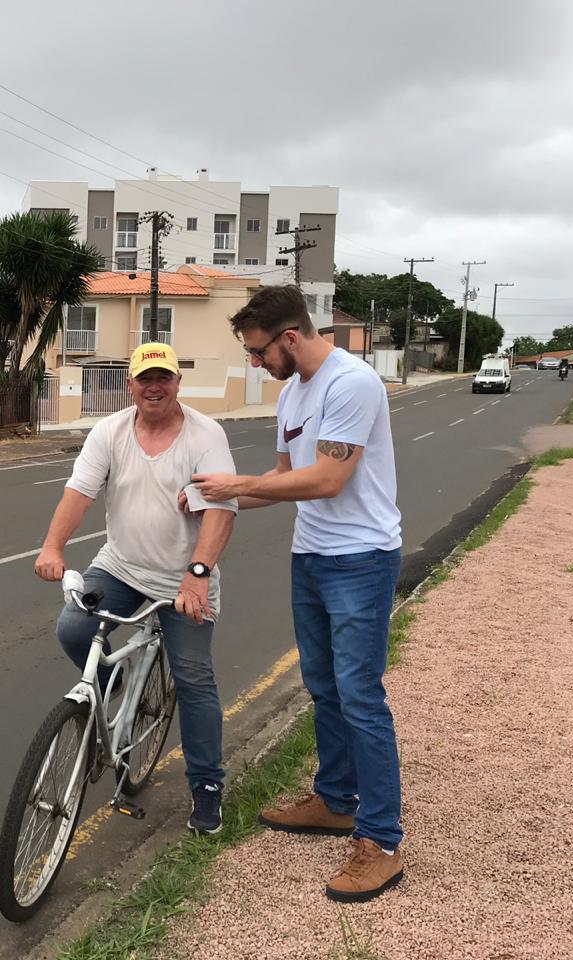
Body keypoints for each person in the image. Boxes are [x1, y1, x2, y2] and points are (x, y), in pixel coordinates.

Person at [190, 285, 404, 903]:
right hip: (310, 556)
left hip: (360, 558)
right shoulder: (293, 392)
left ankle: (382, 841)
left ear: (289, 337)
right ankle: (337, 801)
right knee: (324, 686)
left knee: (361, 696)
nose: (256, 364)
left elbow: (330, 478)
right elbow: (286, 479)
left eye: (259, 352)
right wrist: (216, 497)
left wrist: (238, 481)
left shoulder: (351, 383)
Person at [35, 341, 238, 834]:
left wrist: (198, 575)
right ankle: (115, 685)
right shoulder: (111, 432)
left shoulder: (205, 435)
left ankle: (207, 787)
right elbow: (79, 493)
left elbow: (221, 511)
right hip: (121, 564)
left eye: (163, 378)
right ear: (130, 385)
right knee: (73, 628)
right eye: (145, 379)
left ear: (176, 384)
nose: (154, 387)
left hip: (183, 576)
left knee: (194, 679)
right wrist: (53, 548)